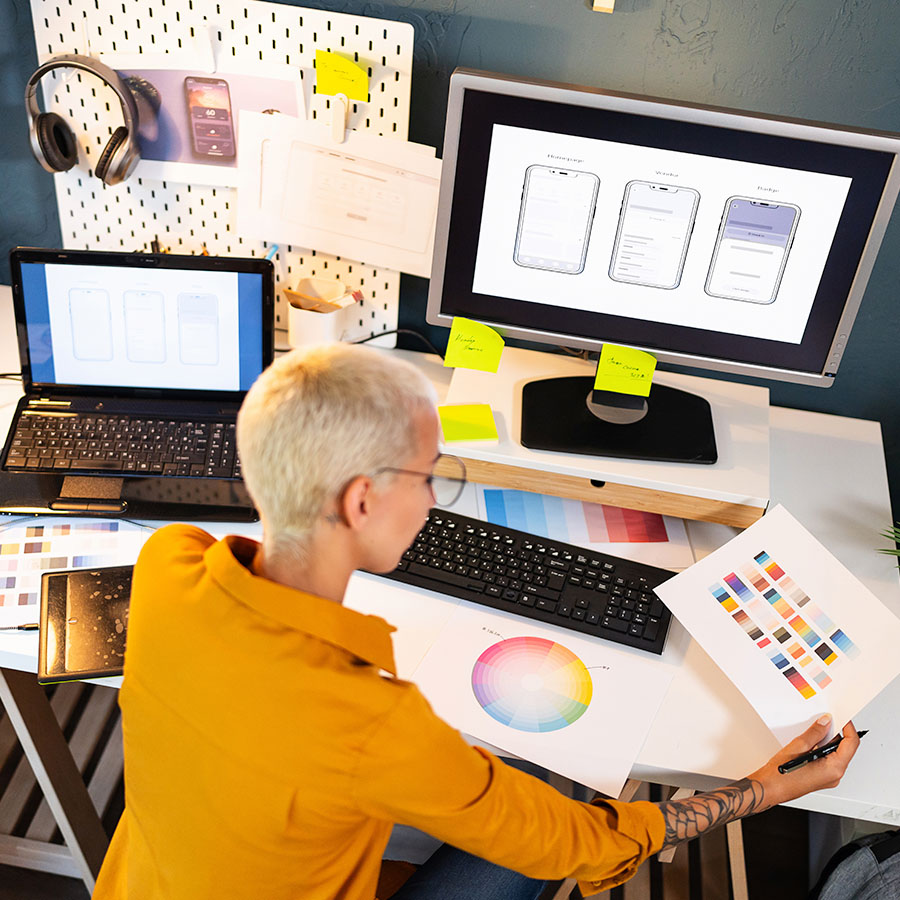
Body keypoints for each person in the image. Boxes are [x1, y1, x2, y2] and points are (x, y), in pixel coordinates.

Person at [92, 343, 859, 900]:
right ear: (361, 502)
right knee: (552, 805)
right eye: (429, 477)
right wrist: (762, 787)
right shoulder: (374, 727)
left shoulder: (168, 564)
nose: (433, 500)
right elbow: (583, 846)